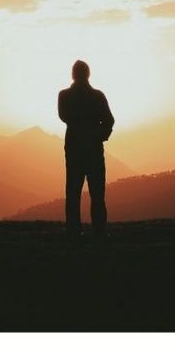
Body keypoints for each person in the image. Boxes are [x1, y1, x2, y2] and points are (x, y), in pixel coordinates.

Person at [58, 60, 114, 238]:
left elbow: (65, 116)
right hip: (93, 149)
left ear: (73, 75)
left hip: (75, 148)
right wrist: (100, 134)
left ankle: (74, 231)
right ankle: (99, 230)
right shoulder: (97, 96)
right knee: (96, 192)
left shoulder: (65, 96)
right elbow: (109, 120)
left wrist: (87, 127)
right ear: (88, 74)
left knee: (74, 192)